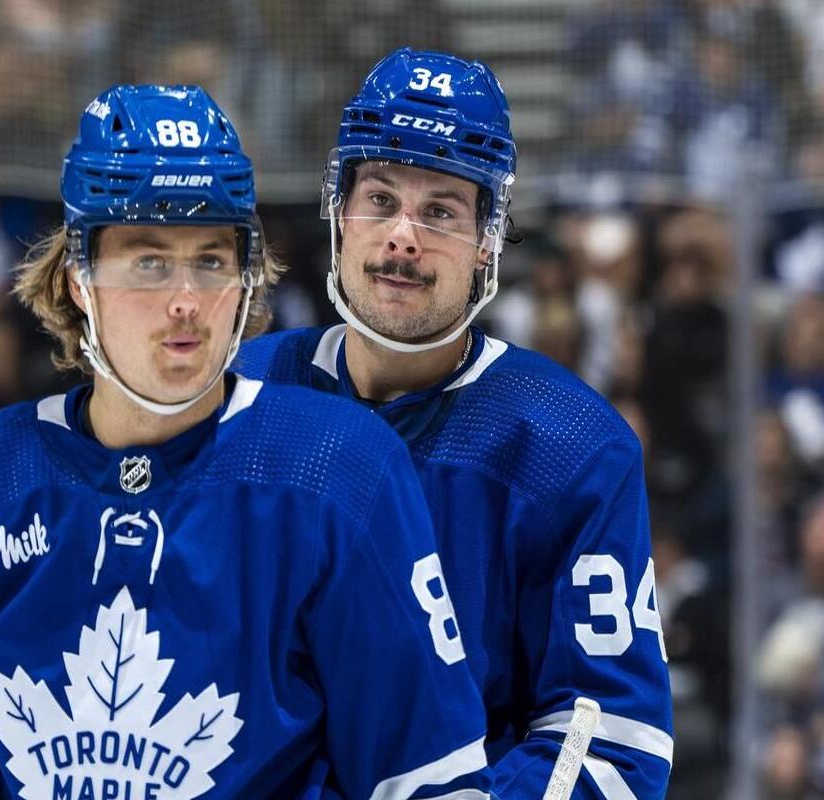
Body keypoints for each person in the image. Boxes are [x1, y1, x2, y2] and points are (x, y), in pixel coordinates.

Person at [0, 84, 495, 799]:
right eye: (149, 263)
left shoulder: (337, 469)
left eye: (210, 261)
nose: (185, 299)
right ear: (78, 278)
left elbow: (428, 780)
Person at [236, 48, 674, 798]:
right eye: (379, 199)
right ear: (337, 215)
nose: (402, 236)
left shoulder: (568, 443)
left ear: (486, 243)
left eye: (439, 210)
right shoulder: (241, 396)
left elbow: (610, 735)